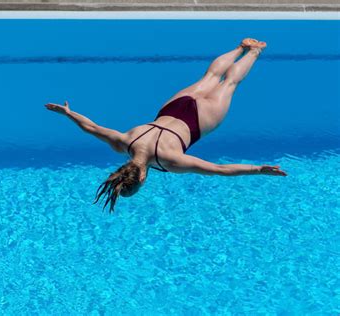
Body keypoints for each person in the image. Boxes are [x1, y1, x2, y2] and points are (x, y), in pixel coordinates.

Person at [45, 38, 287, 213]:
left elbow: (219, 170)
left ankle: (254, 52)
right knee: (210, 77)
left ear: (141, 180)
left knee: (230, 83)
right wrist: (68, 113)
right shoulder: (124, 142)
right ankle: (240, 48)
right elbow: (92, 128)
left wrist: (258, 170)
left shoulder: (170, 161)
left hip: (198, 120)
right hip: (172, 108)